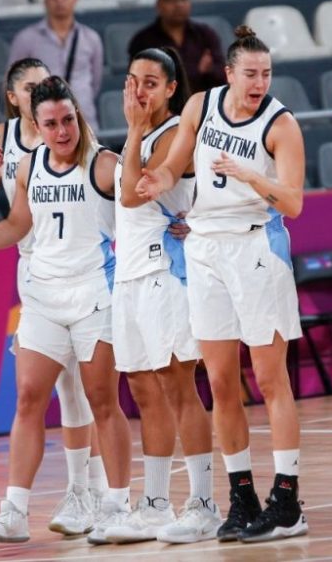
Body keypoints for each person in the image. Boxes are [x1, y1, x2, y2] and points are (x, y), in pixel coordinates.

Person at [135, 26, 308, 543]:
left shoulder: (281, 124)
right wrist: (157, 180)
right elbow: (174, 164)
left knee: (271, 379)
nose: (259, 82)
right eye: (251, 73)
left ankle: (288, 499)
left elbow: (293, 202)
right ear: (229, 73)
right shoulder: (201, 107)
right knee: (220, 382)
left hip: (256, 246)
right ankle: (241, 495)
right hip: (206, 248)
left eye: (267, 73)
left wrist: (251, 176)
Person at [0, 76, 134, 545]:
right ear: (36, 124)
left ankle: (117, 505)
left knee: (102, 401)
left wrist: (181, 223)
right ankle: (15, 509)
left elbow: (143, 204)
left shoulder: (105, 164)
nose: (62, 130)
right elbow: (17, 223)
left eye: (68, 119)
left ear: (79, 116)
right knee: (29, 397)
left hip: (94, 293)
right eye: (50, 123)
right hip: (44, 298)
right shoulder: (30, 166)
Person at [103, 47, 223, 545]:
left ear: (172, 89)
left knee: (178, 387)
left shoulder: (173, 134)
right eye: (133, 81)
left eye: (151, 82)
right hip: (129, 276)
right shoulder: (140, 136)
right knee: (145, 393)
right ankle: (154, 503)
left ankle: (203, 502)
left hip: (165, 275)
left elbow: (134, 194)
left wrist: (133, 131)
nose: (139, 92)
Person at [8, 0, 104, 131]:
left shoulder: (91, 38)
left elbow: (95, 82)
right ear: (45, 1)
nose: (59, 0)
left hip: (85, 123)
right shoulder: (26, 39)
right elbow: (12, 82)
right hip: (42, 125)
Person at [127, 0, 227, 94]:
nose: (179, 5)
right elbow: (141, 84)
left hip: (204, 106)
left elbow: (223, 76)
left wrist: (209, 70)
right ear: (158, 5)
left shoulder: (205, 34)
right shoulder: (144, 41)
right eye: (171, 0)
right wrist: (198, 71)